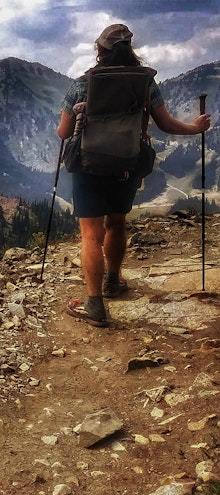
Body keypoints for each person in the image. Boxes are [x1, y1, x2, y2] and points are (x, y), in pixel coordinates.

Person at [56, 23, 211, 327]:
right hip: (127, 162)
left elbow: (63, 132)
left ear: (100, 50)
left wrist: (74, 118)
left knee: (89, 233)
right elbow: (166, 124)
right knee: (117, 222)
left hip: (89, 165)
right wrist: (195, 127)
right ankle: (114, 280)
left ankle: (95, 305)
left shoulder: (81, 84)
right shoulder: (146, 84)